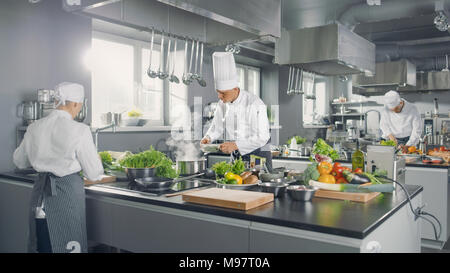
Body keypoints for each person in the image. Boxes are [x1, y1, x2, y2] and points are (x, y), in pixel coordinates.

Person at [13, 82, 103, 253]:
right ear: (76, 104)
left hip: (39, 197)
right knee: (69, 246)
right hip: (65, 196)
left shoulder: (34, 127)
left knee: (42, 245)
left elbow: (19, 161)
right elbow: (93, 172)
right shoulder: (80, 130)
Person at [200, 52, 272, 170]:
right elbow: (216, 127)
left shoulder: (255, 103)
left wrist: (236, 145)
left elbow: (263, 136)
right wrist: (208, 137)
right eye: (218, 91)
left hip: (258, 156)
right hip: (237, 155)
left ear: (235, 88)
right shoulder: (222, 103)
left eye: (223, 92)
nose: (219, 96)